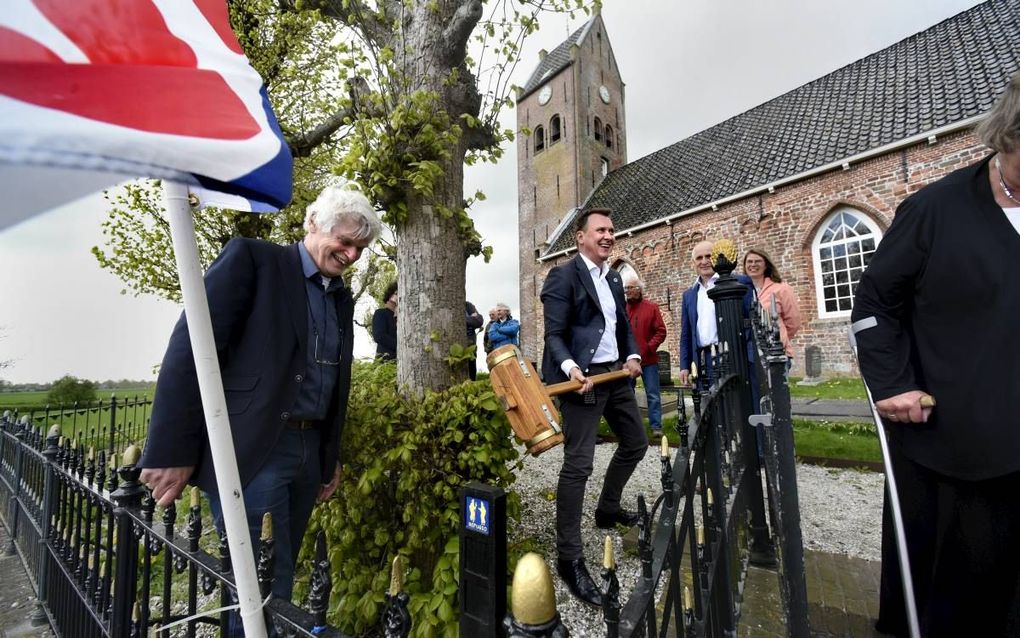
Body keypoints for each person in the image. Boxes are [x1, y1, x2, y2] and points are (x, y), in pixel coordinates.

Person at [138, 185, 381, 622]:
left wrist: (327, 458)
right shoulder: (254, 260)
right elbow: (193, 347)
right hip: (255, 450)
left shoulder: (339, 295)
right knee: (262, 585)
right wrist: (170, 451)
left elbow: (329, 382)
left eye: (360, 248)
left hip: (308, 452)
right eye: (344, 242)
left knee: (275, 579)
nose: (351, 256)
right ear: (312, 224)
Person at [852, 72, 1020, 638]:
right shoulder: (935, 209)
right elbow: (875, 302)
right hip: (956, 443)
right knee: (958, 596)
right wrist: (891, 382)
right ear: (1007, 138)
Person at [540, 207, 648, 608]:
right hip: (581, 378)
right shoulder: (563, 276)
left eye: (611, 230)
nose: (608, 236)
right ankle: (569, 558)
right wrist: (571, 369)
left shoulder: (615, 279)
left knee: (636, 443)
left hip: (615, 376)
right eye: (600, 230)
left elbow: (622, 326)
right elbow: (554, 334)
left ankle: (607, 508)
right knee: (579, 464)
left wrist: (633, 355)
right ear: (580, 238)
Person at [678, 240, 754, 389]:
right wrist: (684, 366)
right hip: (703, 359)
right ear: (693, 263)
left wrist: (750, 357)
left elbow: (751, 322)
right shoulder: (689, 295)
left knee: (735, 404)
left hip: (733, 355)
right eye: (699, 258)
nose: (704, 261)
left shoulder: (740, 282)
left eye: (708, 256)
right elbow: (686, 334)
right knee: (709, 406)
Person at [623, 276, 667, 434]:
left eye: (630, 288)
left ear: (639, 290)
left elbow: (661, 331)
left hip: (648, 360)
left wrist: (649, 347)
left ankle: (656, 426)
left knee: (653, 394)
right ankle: (632, 427)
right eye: (626, 288)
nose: (627, 291)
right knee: (628, 395)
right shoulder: (622, 309)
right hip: (628, 361)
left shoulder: (651, 307)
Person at [742, 248, 802, 363]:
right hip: (749, 354)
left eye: (758, 261)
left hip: (777, 352)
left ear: (766, 265)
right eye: (749, 262)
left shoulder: (781, 288)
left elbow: (793, 322)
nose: (753, 264)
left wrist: (779, 339)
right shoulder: (742, 290)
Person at [372, 281, 398, 361]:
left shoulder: (402, 318)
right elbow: (379, 336)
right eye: (396, 293)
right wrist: (400, 346)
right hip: (385, 363)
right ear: (390, 295)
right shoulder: (381, 313)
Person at [465, 301, 483, 380]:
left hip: (470, 343)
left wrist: (464, 319)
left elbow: (478, 321)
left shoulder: (468, 305)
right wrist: (470, 318)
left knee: (471, 366)